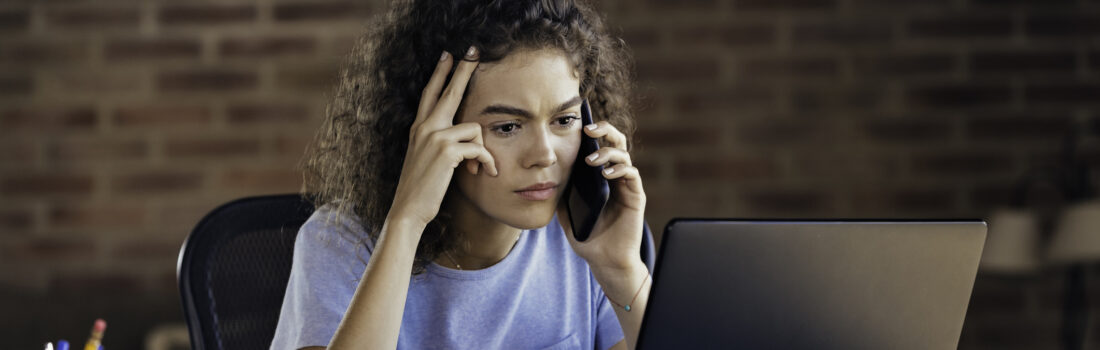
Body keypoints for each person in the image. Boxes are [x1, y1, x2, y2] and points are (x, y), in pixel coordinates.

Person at [270, 0, 649, 348]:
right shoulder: (340, 243)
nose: (544, 155)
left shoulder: (583, 242)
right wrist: (406, 223)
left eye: (564, 120)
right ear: (436, 132)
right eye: (507, 127)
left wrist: (621, 271)